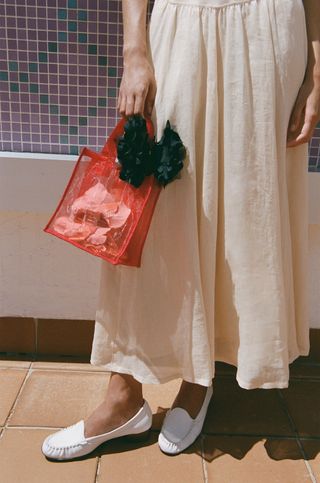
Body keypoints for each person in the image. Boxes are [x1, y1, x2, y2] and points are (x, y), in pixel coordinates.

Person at [42, 0, 320, 461]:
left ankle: (199, 380)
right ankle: (123, 396)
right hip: (181, 25)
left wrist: (316, 68)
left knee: (243, 210)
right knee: (156, 214)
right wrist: (135, 52)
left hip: (271, 32)